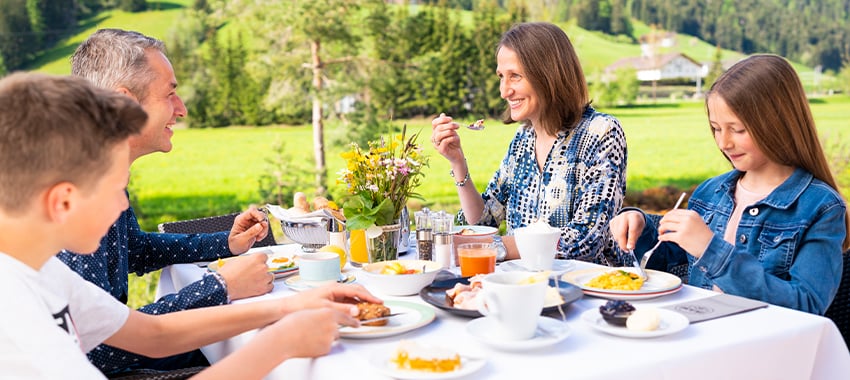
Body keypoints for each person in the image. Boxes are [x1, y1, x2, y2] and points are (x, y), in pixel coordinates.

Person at [0, 72, 380, 379]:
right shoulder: (16, 325)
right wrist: (278, 343)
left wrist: (293, 306)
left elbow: (154, 335)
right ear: (62, 202)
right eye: (117, 189)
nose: (123, 206)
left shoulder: (40, 270)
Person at [56, 28, 272, 373]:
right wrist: (221, 287)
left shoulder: (95, 169)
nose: (182, 109)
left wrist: (224, 243)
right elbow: (98, 348)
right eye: (170, 94)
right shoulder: (75, 193)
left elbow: (134, 250)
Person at [610, 54, 849, 315]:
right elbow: (673, 257)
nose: (724, 143)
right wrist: (641, 225)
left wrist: (711, 250)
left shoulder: (820, 207)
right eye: (716, 128)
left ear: (777, 124)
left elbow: (807, 304)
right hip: (699, 335)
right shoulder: (710, 193)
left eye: (737, 130)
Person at [430, 22, 627, 265]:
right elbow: (483, 222)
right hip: (525, 284)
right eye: (501, 77)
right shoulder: (523, 139)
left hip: (589, 290)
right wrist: (457, 161)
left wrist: (492, 247)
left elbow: (584, 240)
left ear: (548, 75)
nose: (504, 91)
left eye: (515, 76)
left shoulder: (601, 132)